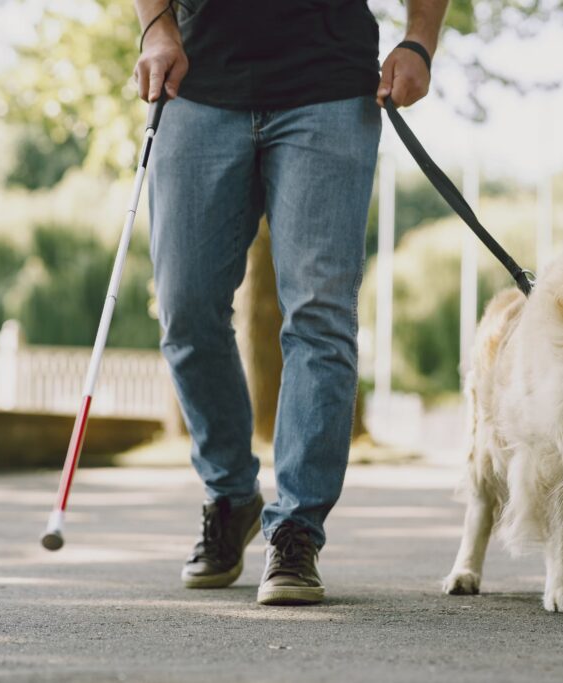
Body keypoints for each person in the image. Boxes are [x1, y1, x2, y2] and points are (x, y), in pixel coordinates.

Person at [132, 0, 448, 605]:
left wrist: (420, 41)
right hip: (199, 84)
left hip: (328, 89)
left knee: (319, 316)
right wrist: (155, 26)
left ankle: (297, 528)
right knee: (186, 309)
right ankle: (231, 496)